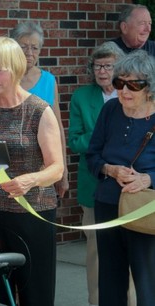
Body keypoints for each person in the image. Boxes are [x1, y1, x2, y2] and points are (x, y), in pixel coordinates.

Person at [0, 37, 63, 306]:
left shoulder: (39, 111)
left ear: (16, 69)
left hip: (33, 214)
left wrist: (31, 179)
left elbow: (57, 168)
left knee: (36, 292)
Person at [87, 50, 155, 306]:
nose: (124, 91)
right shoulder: (111, 109)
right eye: (119, 83)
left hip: (145, 209)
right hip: (107, 205)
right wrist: (110, 170)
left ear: (150, 86)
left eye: (133, 85)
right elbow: (92, 155)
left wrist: (148, 178)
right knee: (110, 281)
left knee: (148, 282)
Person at [68, 41, 125, 306]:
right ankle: (97, 302)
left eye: (108, 66)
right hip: (94, 185)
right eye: (97, 66)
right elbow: (75, 142)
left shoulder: (132, 94)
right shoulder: (82, 97)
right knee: (97, 254)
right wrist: (104, 133)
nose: (102, 71)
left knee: (132, 252)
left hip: (130, 188)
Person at [11, 21, 69, 198]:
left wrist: (63, 171)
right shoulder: (5, 78)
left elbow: (58, 128)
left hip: (42, 169)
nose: (29, 53)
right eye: (23, 47)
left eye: (34, 48)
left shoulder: (49, 80)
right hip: (11, 165)